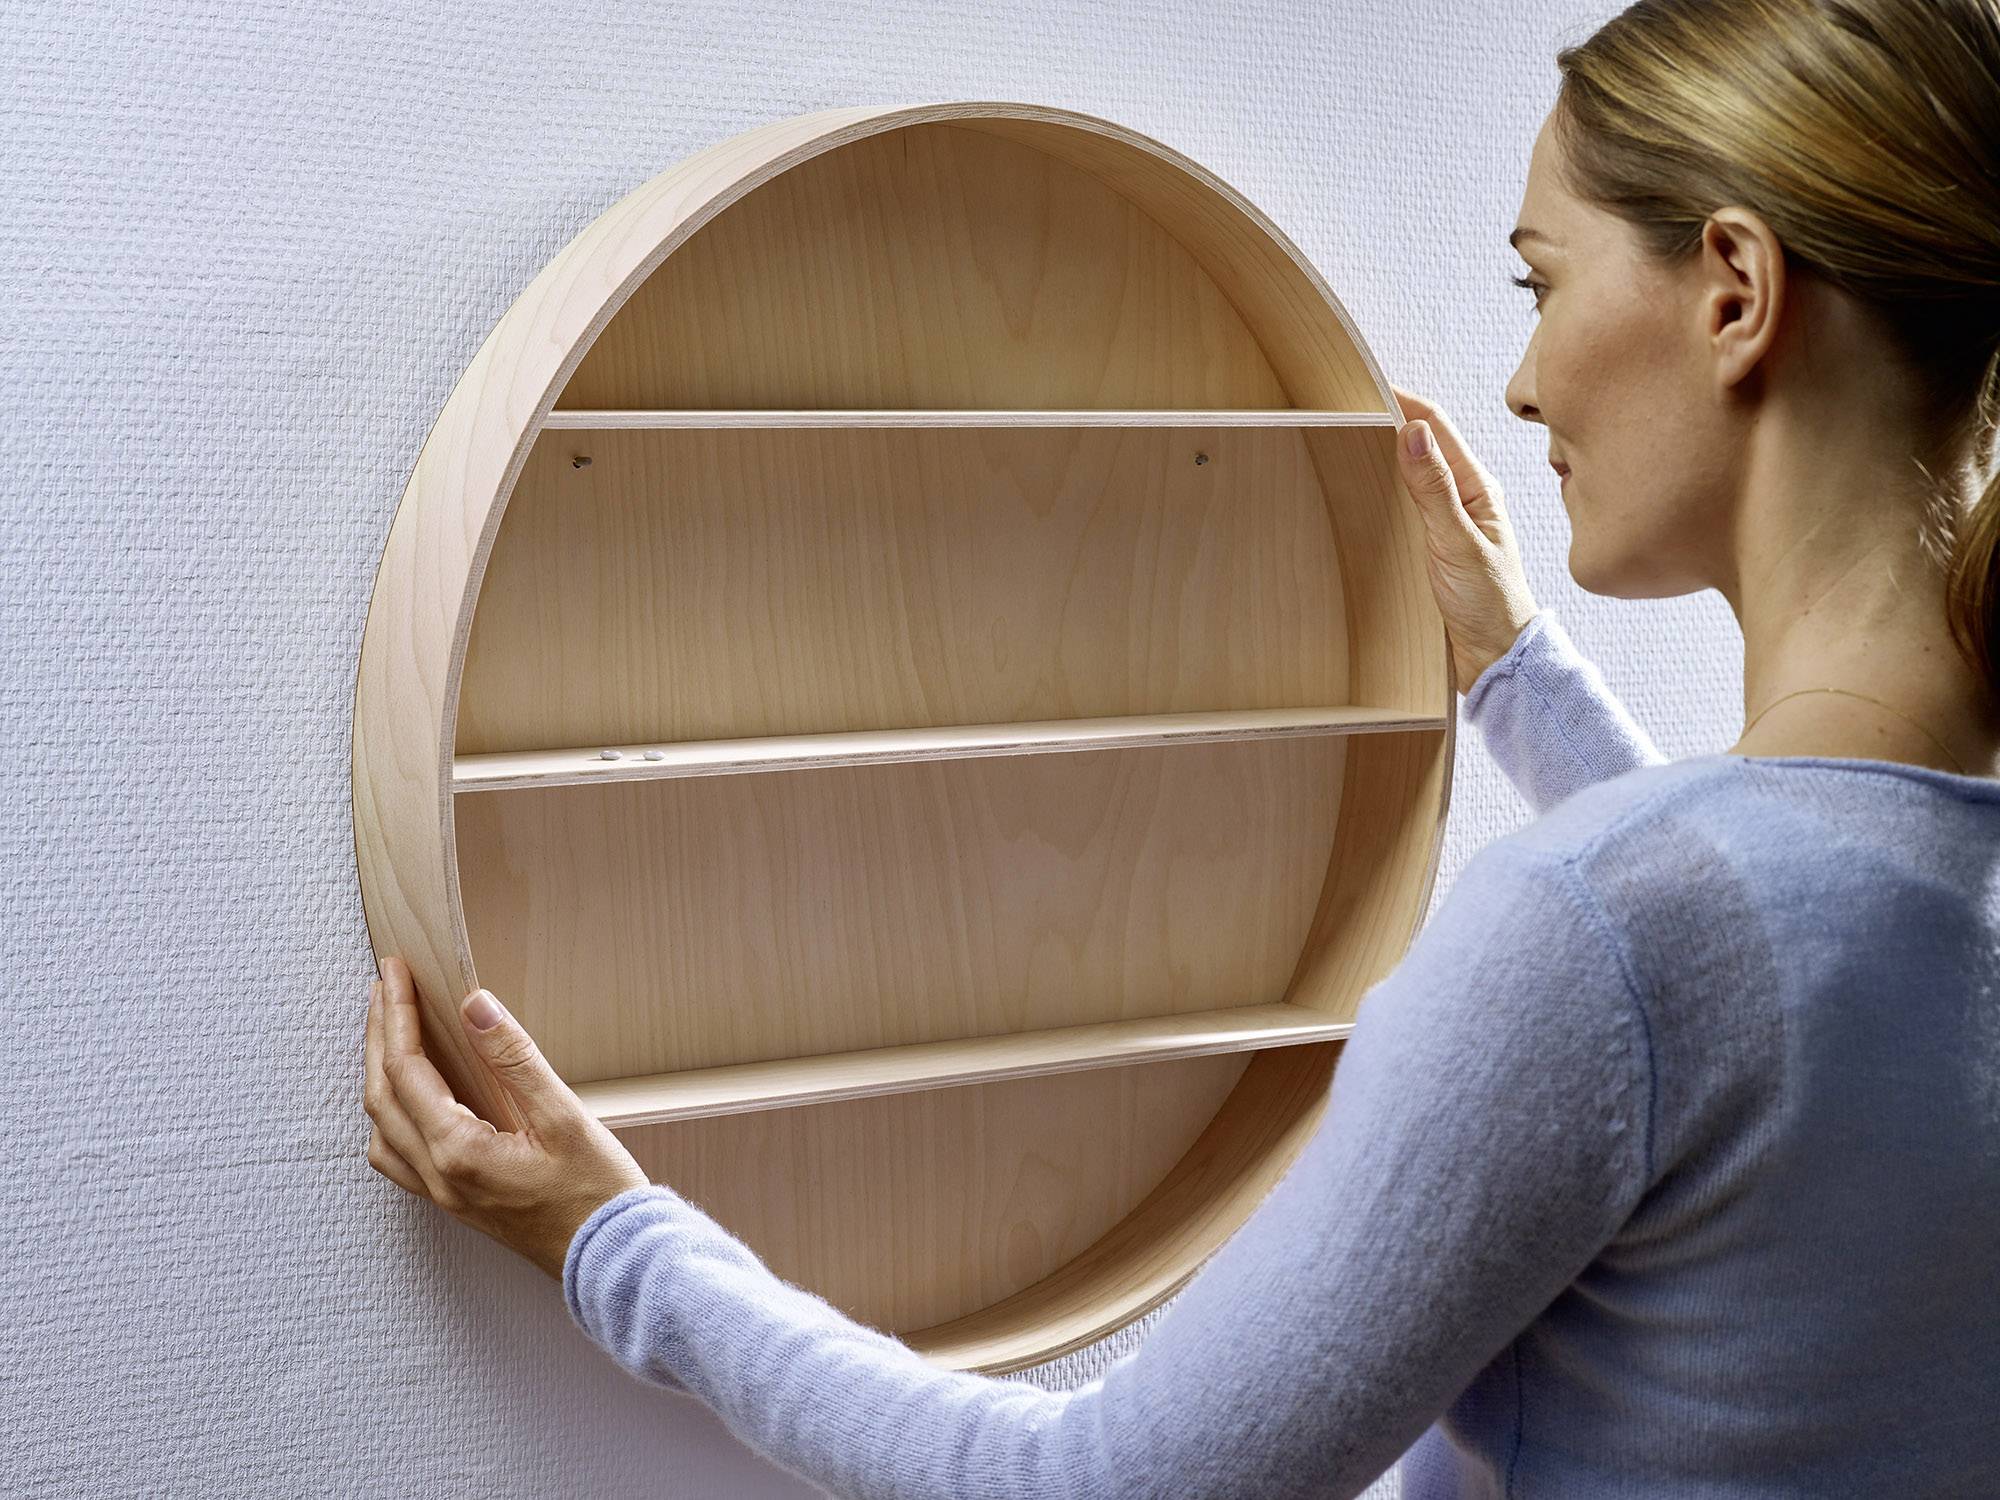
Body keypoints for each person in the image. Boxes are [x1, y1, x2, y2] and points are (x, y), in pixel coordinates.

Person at [361, 0, 2000, 1493]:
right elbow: (1793, 987)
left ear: (1735, 289)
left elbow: (1115, 1488)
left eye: (1541, 279)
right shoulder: (1874, 909)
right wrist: (1511, 673)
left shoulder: (1602, 930)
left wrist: (613, 1245)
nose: (1517, 380)